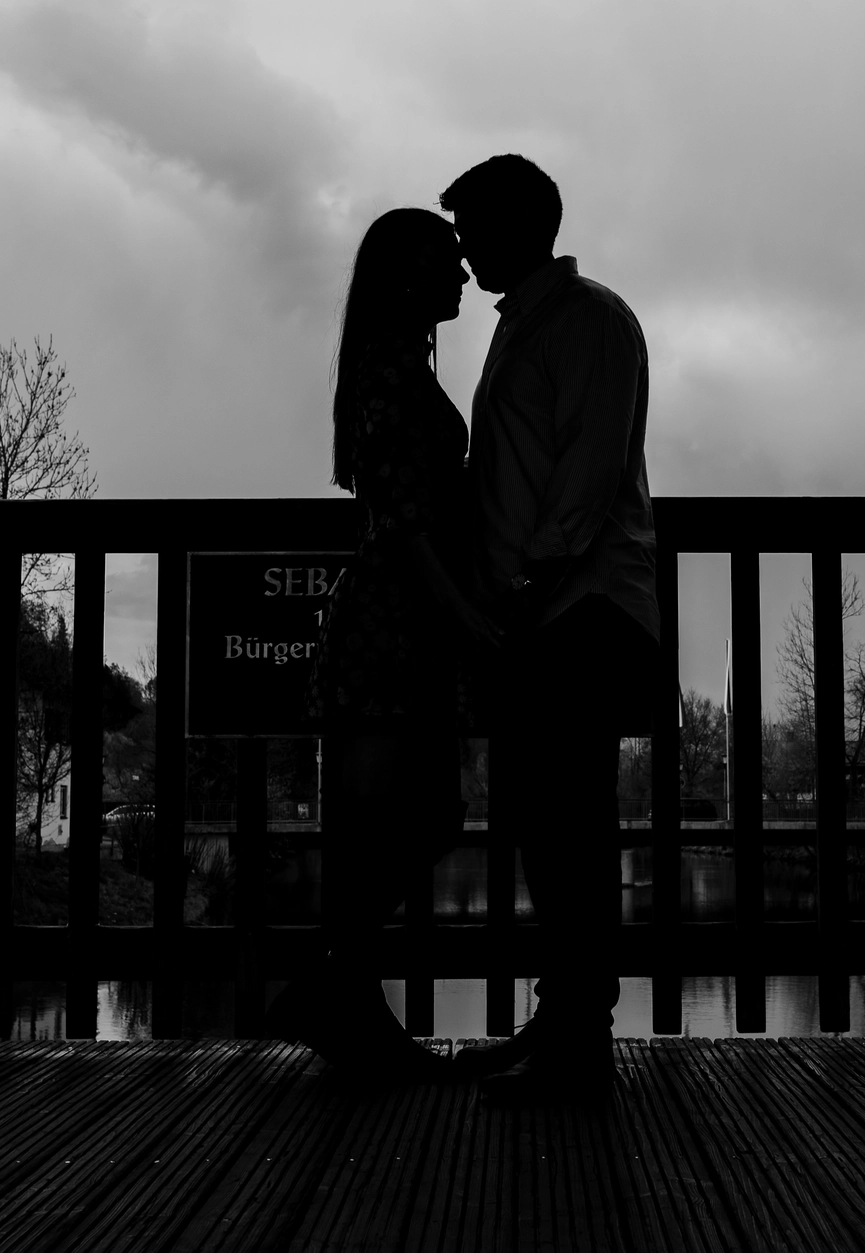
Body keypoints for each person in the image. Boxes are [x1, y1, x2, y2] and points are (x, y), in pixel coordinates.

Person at [442, 155, 660, 1101]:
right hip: (538, 613)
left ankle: (581, 1039)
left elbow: (588, 471)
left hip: (580, 610)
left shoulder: (590, 322)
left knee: (571, 823)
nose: (460, 246)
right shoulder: (526, 326)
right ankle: (565, 1022)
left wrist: (526, 583)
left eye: (470, 227)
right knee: (544, 821)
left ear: (520, 226)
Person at [283, 206, 503, 1081]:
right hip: (389, 625)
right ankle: (346, 1001)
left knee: (418, 818)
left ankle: (332, 990)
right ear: (403, 278)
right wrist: (470, 619)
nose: (458, 274)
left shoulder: (398, 366)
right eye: (442, 261)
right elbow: (408, 528)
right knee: (390, 824)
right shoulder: (386, 371)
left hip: (406, 627)